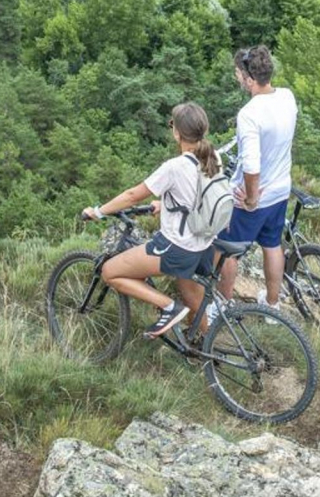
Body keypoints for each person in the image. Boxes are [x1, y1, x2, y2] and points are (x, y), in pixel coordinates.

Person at [82, 102, 220, 338]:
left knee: (109, 271)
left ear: (176, 132)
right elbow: (196, 197)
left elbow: (132, 196)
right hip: (205, 244)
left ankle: (168, 307)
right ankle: (205, 349)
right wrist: (166, 204)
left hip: (178, 248)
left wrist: (98, 211)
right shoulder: (213, 157)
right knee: (194, 300)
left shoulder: (173, 167)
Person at [218, 45, 298, 308]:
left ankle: (222, 306)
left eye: (239, 74)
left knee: (226, 251)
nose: (236, 77)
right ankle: (271, 305)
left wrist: (251, 199)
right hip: (280, 189)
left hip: (253, 197)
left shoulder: (249, 114)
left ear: (250, 79)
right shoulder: (287, 97)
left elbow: (252, 165)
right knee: (272, 245)